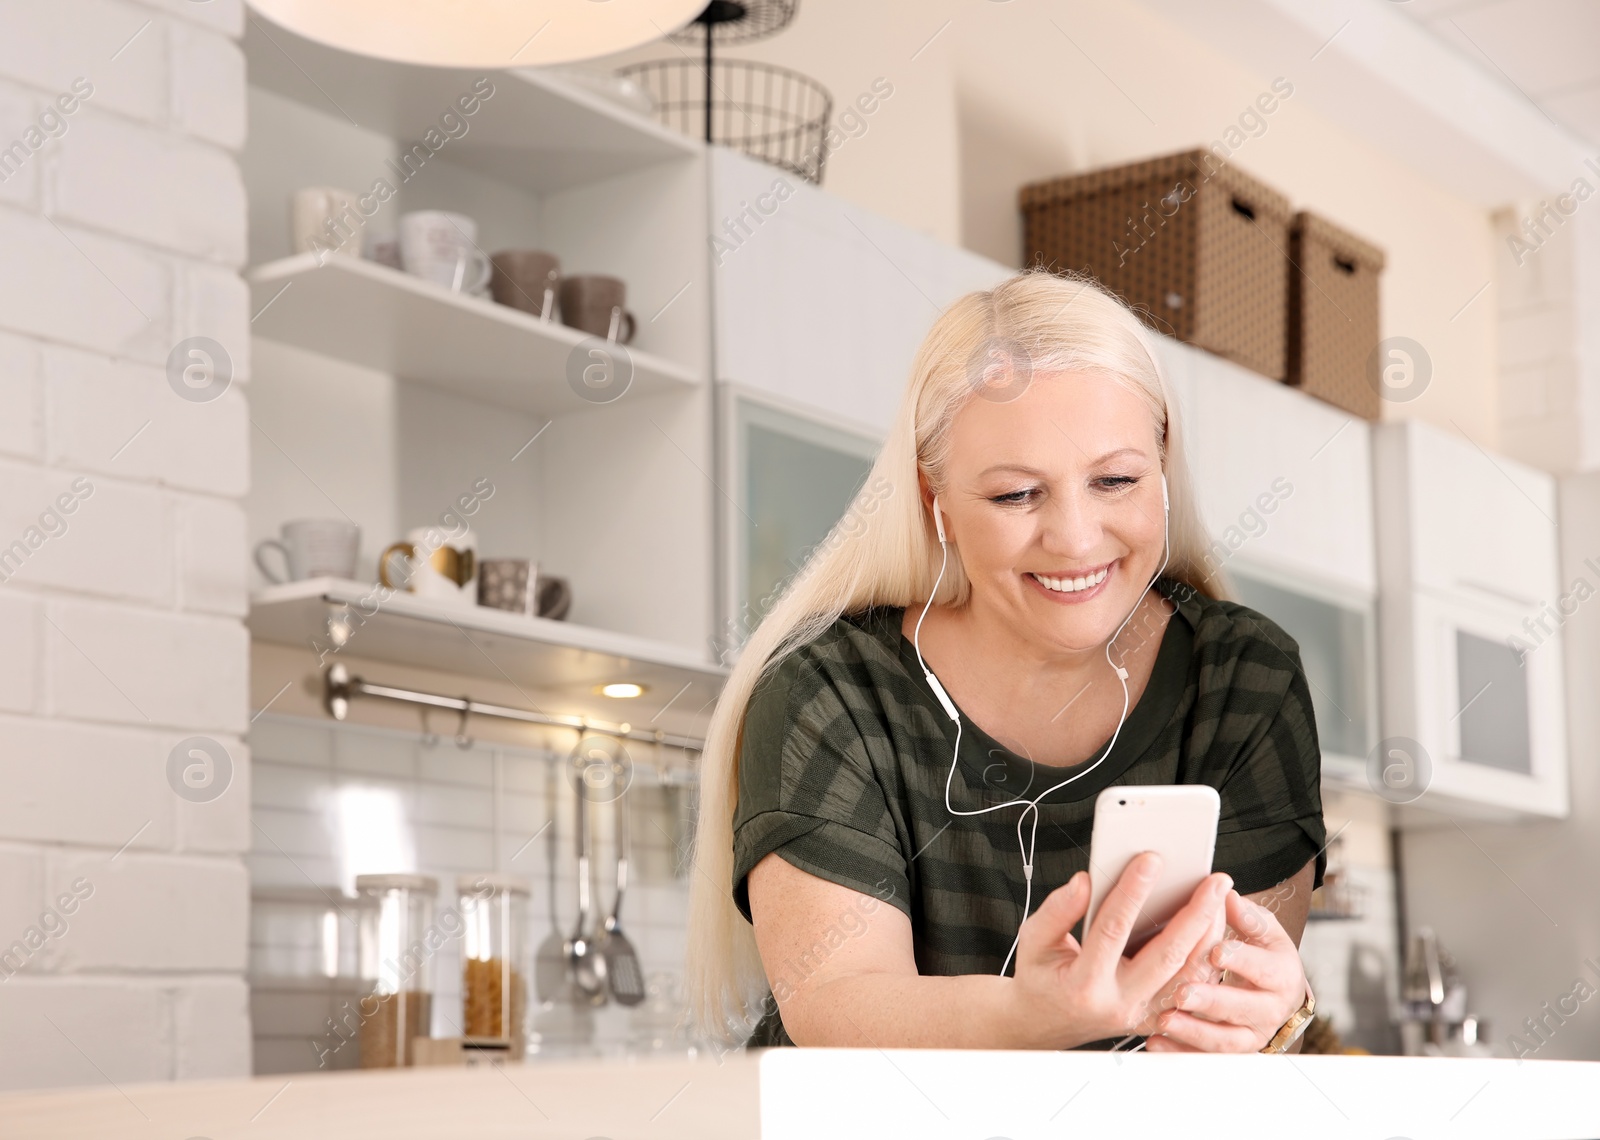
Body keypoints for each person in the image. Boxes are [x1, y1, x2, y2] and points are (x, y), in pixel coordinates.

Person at [686, 271, 1326, 1052]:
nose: (1077, 538)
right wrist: (1032, 1016)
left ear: (1162, 472)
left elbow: (1232, 1010)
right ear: (936, 502)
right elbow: (835, 1003)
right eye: (1018, 494)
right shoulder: (830, 691)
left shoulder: (1244, 680)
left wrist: (1272, 1013)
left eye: (1116, 480)